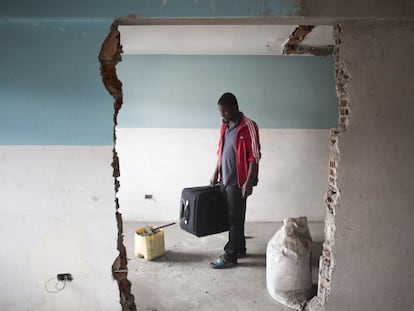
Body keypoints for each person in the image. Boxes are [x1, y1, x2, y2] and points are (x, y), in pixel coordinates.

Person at [209, 92, 261, 269]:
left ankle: (230, 255)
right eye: (220, 112)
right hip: (225, 178)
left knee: (234, 219)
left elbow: (255, 156)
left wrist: (249, 181)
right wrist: (215, 172)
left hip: (239, 181)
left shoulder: (249, 126)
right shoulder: (224, 127)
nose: (222, 115)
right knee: (235, 217)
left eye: (224, 111)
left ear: (234, 107)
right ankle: (240, 248)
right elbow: (220, 152)